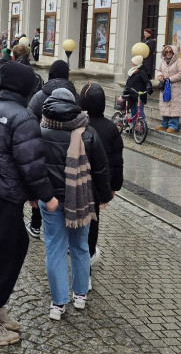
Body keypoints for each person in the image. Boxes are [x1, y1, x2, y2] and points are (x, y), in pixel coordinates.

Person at [0, 62, 54, 345]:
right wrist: (47, 197)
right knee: (1, 256)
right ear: (26, 87)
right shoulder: (24, 118)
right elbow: (32, 165)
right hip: (6, 194)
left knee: (17, 245)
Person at [38, 89, 111, 319]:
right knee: (80, 247)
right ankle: (80, 295)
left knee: (55, 249)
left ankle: (58, 304)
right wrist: (104, 196)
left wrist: (35, 193)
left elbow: (33, 166)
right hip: (81, 199)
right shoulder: (87, 132)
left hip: (50, 199)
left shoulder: (40, 130)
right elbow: (100, 168)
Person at [26, 59, 77, 238]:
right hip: (72, 151)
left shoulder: (39, 96)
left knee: (43, 184)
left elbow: (30, 122)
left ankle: (36, 224)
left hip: (44, 148)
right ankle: (70, 228)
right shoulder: (75, 96)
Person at [78, 83, 124, 271]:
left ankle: (77, 255)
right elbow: (116, 161)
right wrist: (113, 187)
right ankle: (86, 260)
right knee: (92, 227)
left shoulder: (78, 124)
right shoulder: (110, 128)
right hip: (97, 186)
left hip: (77, 182)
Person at [156, 44, 181, 132]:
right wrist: (160, 76)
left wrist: (170, 79)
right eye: (166, 52)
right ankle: (164, 124)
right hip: (165, 86)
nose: (168, 53)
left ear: (174, 52)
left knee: (175, 106)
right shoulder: (163, 61)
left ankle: (173, 125)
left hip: (176, 88)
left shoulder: (179, 61)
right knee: (165, 104)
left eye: (170, 52)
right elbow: (159, 70)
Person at [123, 55, 153, 122]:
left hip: (140, 95)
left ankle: (141, 128)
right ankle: (134, 128)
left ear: (137, 63)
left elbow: (147, 81)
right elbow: (128, 82)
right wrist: (126, 90)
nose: (131, 64)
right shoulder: (132, 71)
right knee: (133, 112)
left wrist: (149, 88)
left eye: (133, 62)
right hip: (132, 95)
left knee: (140, 112)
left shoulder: (142, 72)